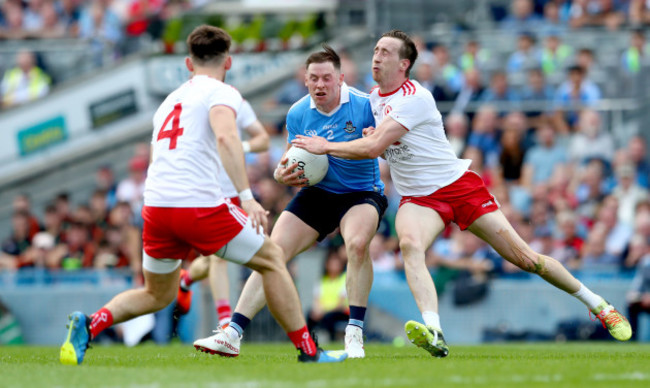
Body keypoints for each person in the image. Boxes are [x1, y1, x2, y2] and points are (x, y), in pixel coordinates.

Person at [292, 29, 632, 357]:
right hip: (418, 198)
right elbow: (386, 147)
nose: (376, 57)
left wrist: (327, 146)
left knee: (528, 260)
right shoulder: (375, 100)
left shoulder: (415, 98)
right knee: (410, 246)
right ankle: (435, 331)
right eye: (376, 51)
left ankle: (599, 305)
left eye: (385, 52)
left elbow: (374, 146)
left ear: (404, 65)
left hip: (458, 187)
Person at [59, 25, 347, 365]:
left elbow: (157, 159)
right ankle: (309, 352)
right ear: (228, 62)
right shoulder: (221, 91)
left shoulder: (167, 103)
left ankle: (91, 324)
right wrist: (246, 197)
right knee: (272, 259)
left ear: (187, 63)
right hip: (195, 204)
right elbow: (226, 138)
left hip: (156, 206)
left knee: (156, 293)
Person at [193, 44, 387, 359]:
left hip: (361, 191)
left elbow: (378, 147)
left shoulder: (367, 106)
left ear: (340, 79)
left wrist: (327, 146)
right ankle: (232, 333)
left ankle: (354, 335)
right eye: (314, 79)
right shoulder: (298, 112)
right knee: (270, 253)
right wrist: (282, 174)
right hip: (318, 192)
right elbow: (289, 160)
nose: (321, 85)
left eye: (327, 78)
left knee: (356, 244)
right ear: (305, 80)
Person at [175, 98, 271, 328]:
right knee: (218, 258)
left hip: (237, 193)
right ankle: (225, 321)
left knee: (212, 260)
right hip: (208, 193)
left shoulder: (235, 103)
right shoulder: (193, 108)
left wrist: (241, 147)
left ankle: (186, 280)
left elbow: (264, 139)